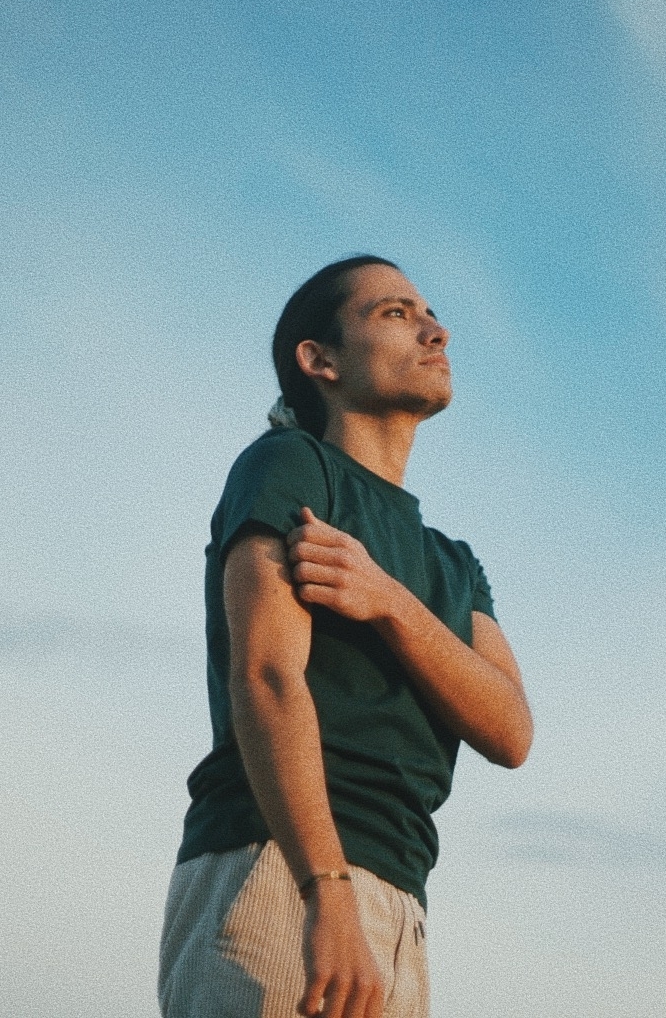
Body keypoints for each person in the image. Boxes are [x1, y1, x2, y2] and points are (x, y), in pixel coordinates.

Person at [158, 256, 533, 1018]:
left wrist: (389, 602)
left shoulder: (452, 564)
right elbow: (267, 677)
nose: (435, 331)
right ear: (319, 360)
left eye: (430, 313)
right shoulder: (290, 466)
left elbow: (511, 729)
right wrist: (324, 892)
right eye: (395, 313)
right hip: (281, 870)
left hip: (400, 905)